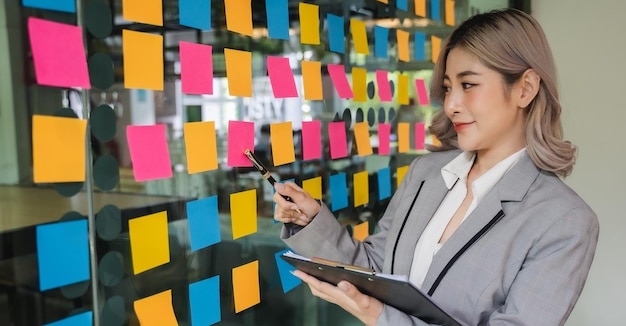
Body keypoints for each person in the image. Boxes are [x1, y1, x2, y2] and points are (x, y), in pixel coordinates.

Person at [272, 8, 599, 326]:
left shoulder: (564, 221)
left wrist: (377, 316)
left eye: (468, 85)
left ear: (525, 88)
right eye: (447, 88)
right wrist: (312, 220)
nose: (452, 104)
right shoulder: (425, 174)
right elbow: (377, 270)